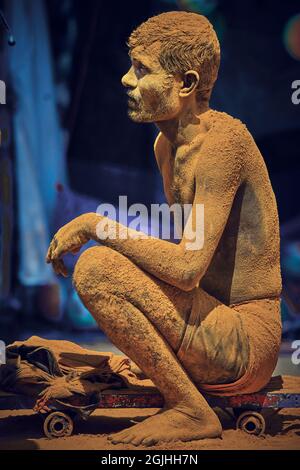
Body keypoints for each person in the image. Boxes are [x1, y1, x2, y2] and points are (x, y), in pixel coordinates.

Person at [46, 11, 282, 446]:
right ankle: (184, 392)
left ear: (187, 84)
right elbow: (187, 253)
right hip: (213, 323)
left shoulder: (222, 145)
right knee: (108, 261)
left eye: (141, 70)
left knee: (98, 266)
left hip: (247, 342)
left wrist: (97, 225)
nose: (125, 80)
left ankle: (191, 411)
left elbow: (188, 268)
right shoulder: (167, 144)